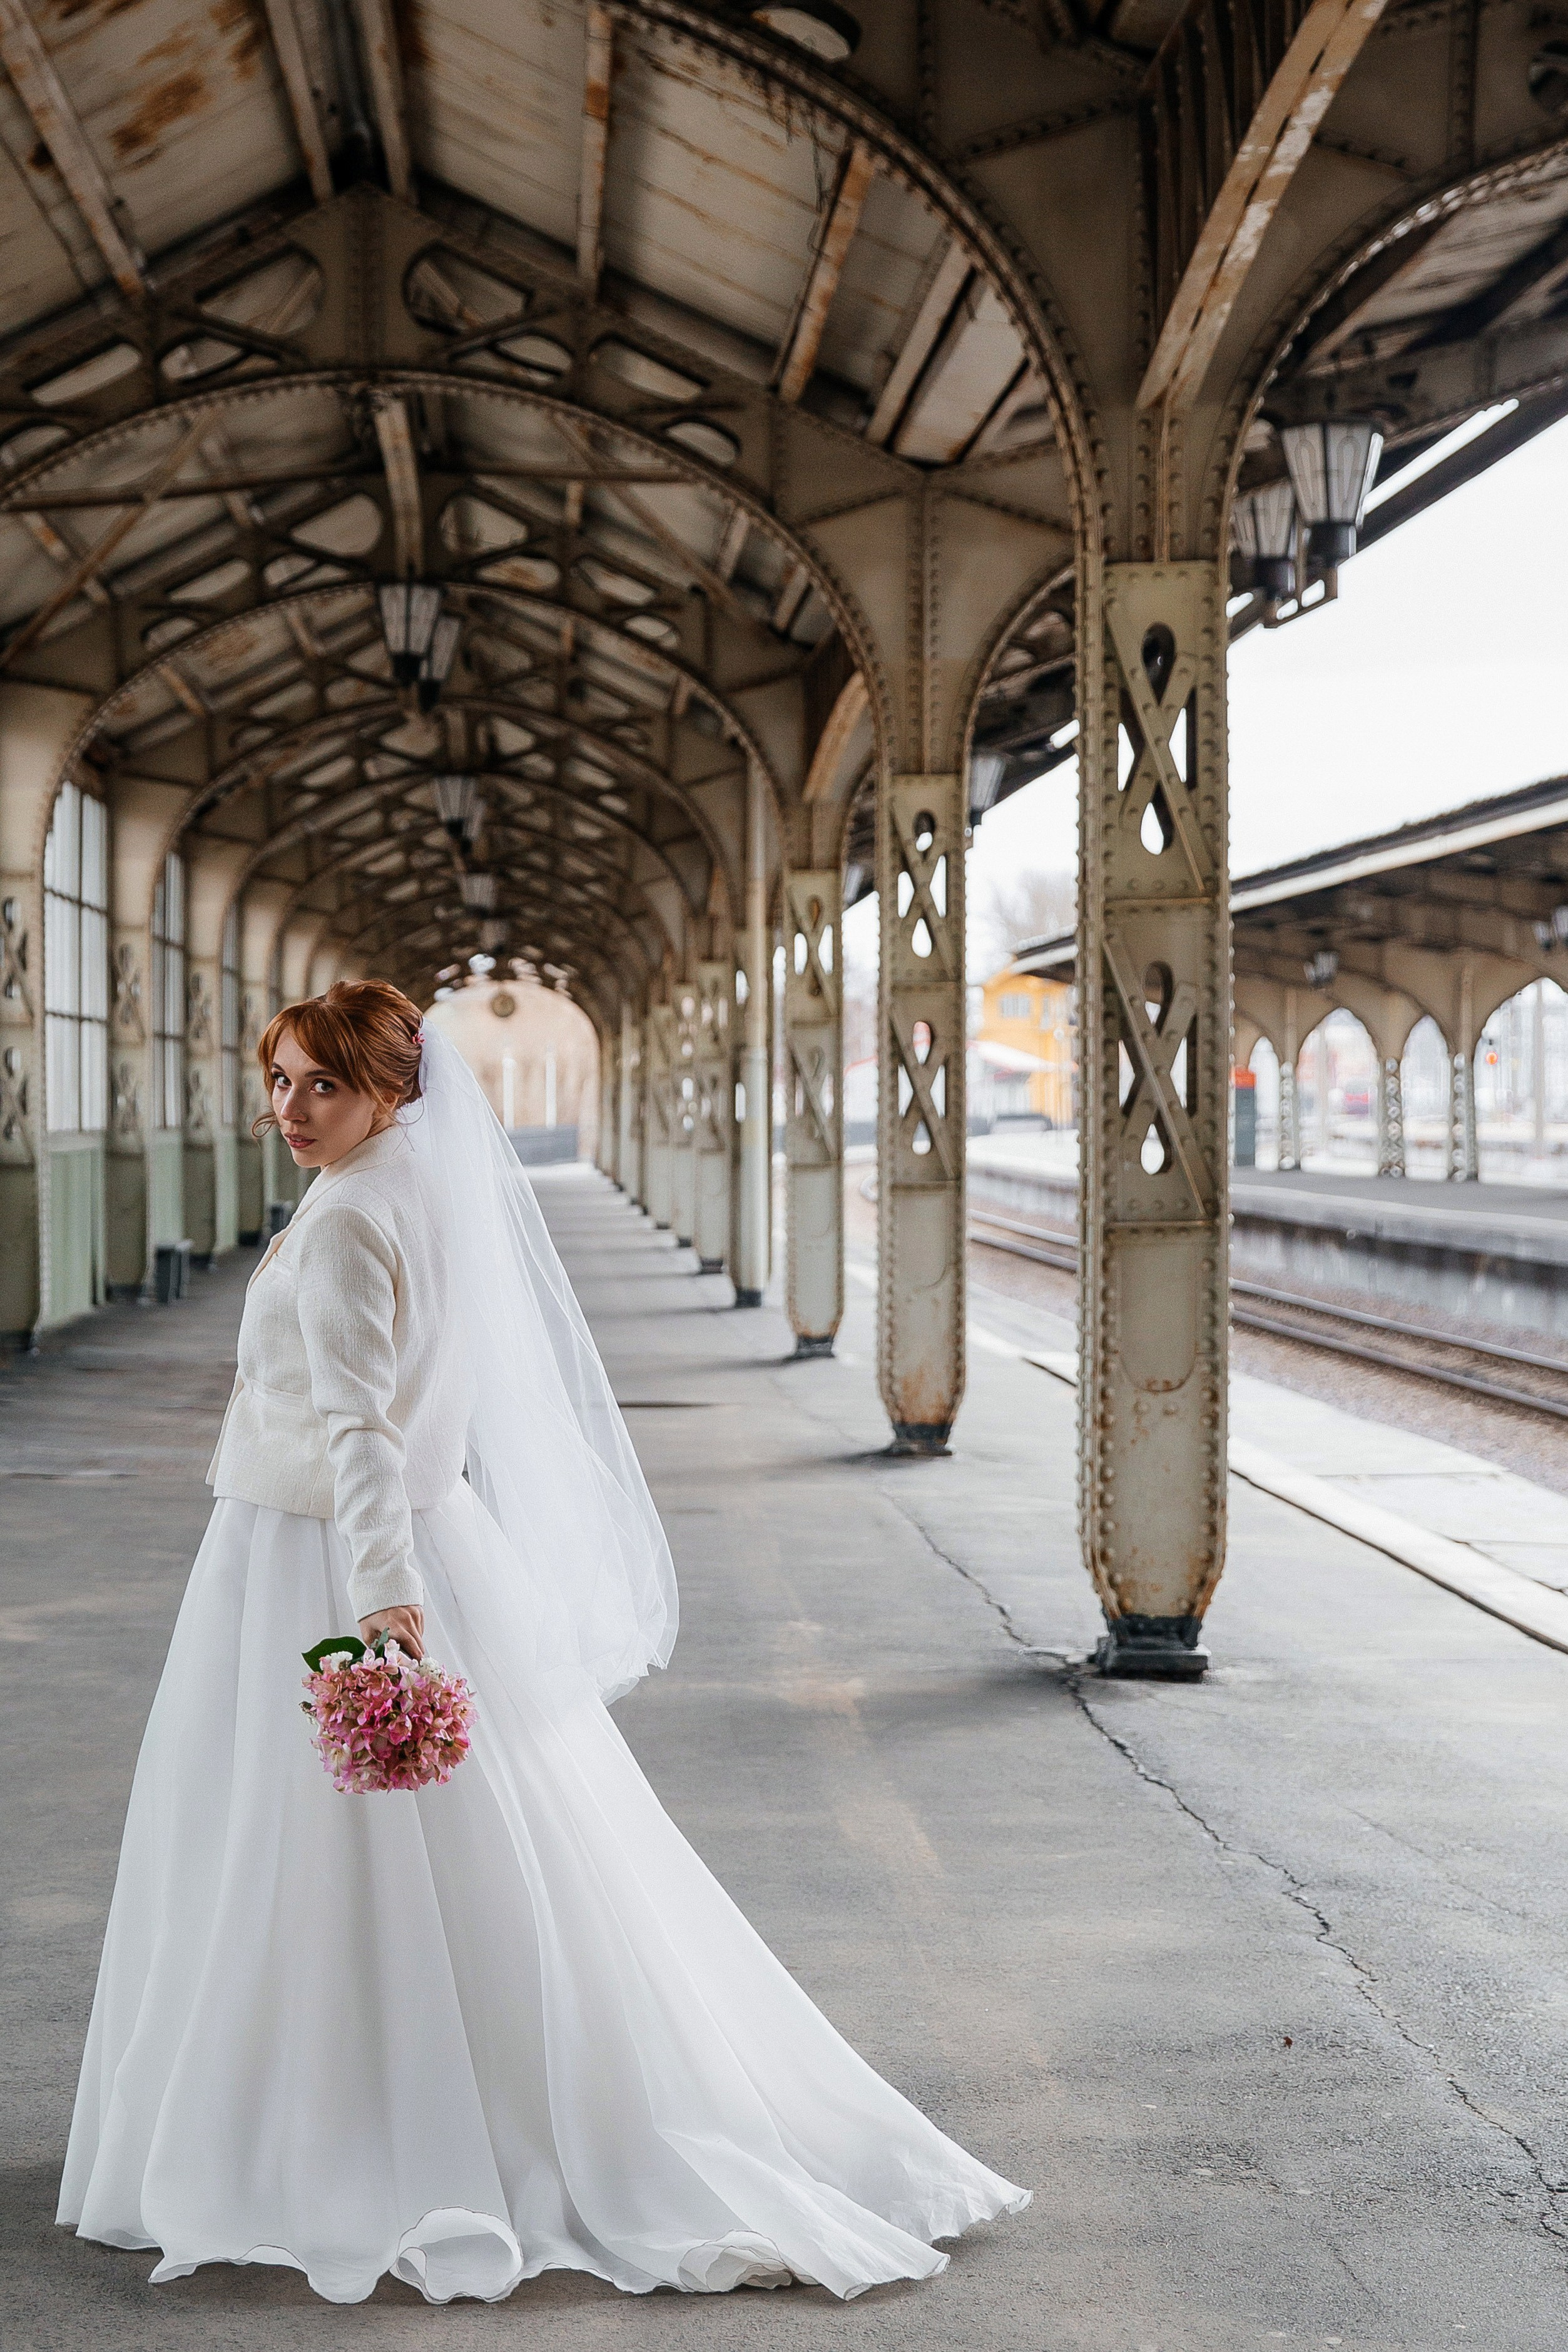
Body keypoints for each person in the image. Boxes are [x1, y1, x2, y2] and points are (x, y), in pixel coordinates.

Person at [57, 979, 1028, 2306]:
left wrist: (379, 1600)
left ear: (390, 1088)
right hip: (420, 1538)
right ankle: (464, 2090)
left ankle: (323, 2129)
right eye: (276, 1079)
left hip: (320, 1556)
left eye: (320, 1084)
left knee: (291, 1837)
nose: (290, 1107)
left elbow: (359, 1429)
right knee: (486, 1832)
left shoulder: (347, 1213)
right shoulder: (418, 1184)